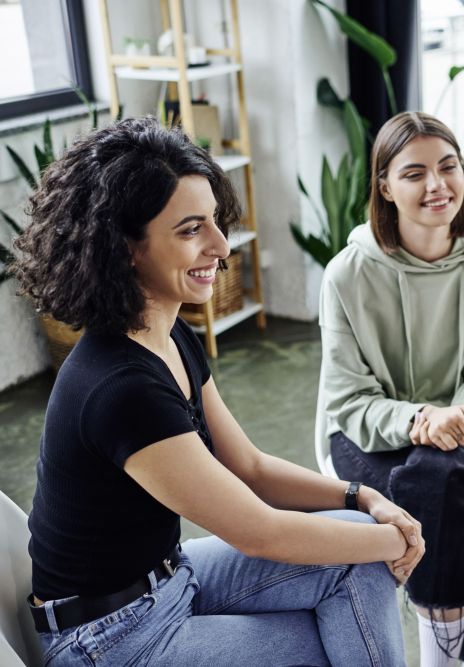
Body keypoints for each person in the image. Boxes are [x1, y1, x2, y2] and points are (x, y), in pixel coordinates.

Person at [14, 117, 423, 667]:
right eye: (190, 230)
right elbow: (259, 532)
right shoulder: (120, 387)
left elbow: (249, 468)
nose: (220, 246)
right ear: (126, 248)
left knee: (358, 545)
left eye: (214, 222)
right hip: (109, 638)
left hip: (171, 576)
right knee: (342, 625)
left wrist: (362, 498)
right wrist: (402, 541)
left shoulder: (171, 332)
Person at [317, 111, 464, 666]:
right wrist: (418, 420)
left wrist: (457, 414)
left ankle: (439, 651)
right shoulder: (347, 274)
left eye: (448, 167)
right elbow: (348, 400)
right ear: (385, 187)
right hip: (374, 431)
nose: (438, 185)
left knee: (434, 480)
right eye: (415, 174)